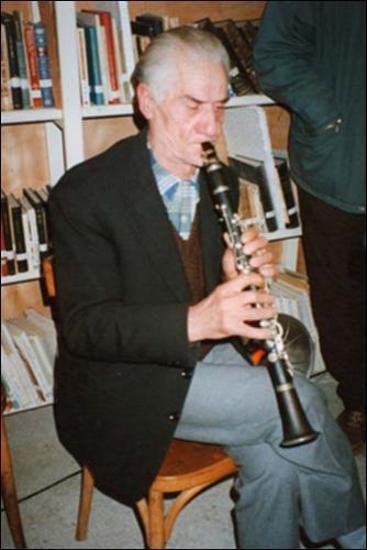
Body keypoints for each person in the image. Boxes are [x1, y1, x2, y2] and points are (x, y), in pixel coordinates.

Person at [49, 27, 365, 549]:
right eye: (193, 105)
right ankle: (356, 532)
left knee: (277, 460)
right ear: (146, 101)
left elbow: (194, 283)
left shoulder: (213, 179)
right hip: (128, 383)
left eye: (219, 107)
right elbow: (86, 327)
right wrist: (200, 319)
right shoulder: (85, 194)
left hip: (202, 357)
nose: (210, 126)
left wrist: (230, 275)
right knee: (306, 402)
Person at [253, 1, 366, 453]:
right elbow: (274, 52)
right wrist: (327, 115)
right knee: (341, 294)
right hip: (337, 162)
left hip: (336, 149)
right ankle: (359, 400)